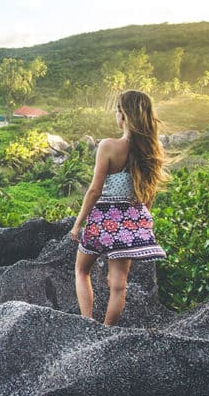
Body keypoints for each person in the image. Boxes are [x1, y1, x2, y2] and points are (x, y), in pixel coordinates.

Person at [70, 89, 168, 325]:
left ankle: (87, 324)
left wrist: (77, 224)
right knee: (118, 285)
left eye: (117, 111)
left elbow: (94, 190)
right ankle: (106, 331)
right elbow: (149, 194)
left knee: (82, 271)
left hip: (104, 217)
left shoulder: (108, 146)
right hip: (133, 217)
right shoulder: (151, 151)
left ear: (124, 115)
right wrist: (142, 222)